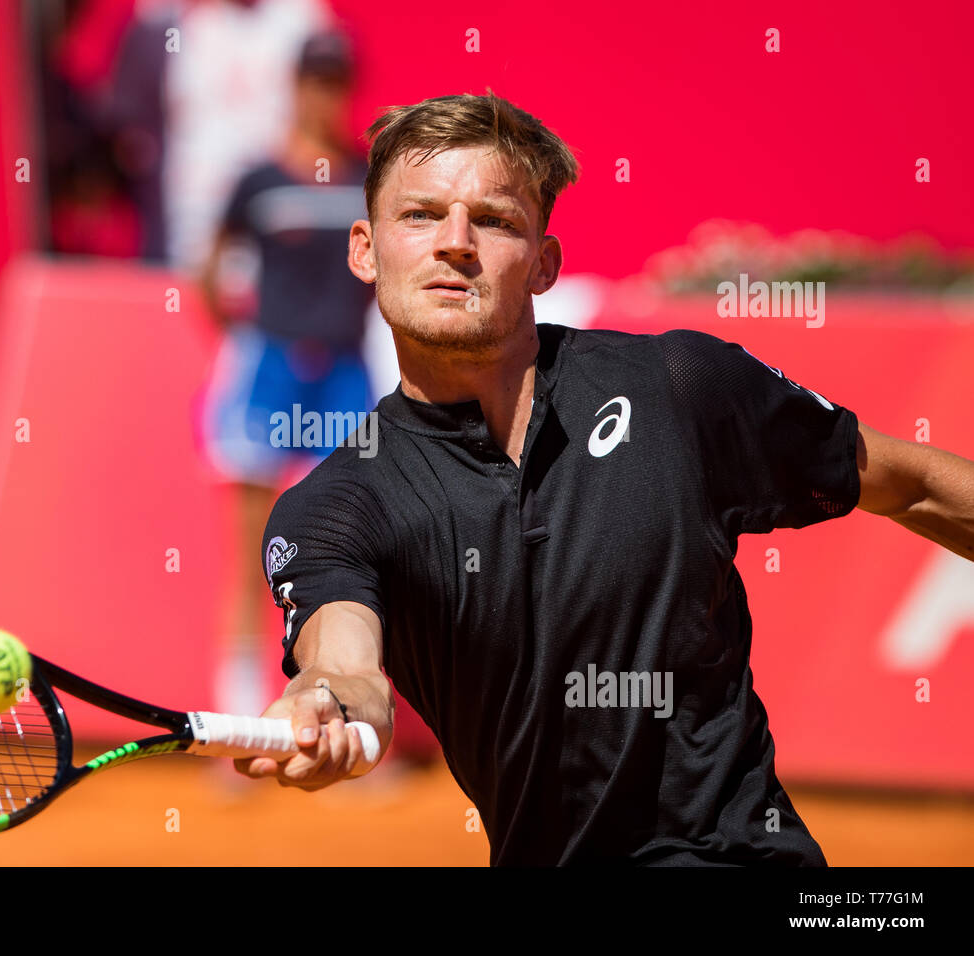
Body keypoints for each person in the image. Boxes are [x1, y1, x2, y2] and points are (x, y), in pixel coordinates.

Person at [235, 91, 974, 865]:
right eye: (420, 215)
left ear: (545, 263)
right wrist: (324, 705)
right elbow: (346, 664)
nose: (455, 243)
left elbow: (910, 483)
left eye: (493, 220)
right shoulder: (335, 507)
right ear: (364, 248)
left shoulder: (682, 387)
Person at [199, 31, 373, 720]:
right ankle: (241, 720)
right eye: (313, 80)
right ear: (295, 86)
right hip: (270, 367)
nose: (322, 94)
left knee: (347, 547)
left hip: (345, 373)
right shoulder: (257, 179)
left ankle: (344, 712)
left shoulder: (367, 175)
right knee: (249, 551)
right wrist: (241, 334)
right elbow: (210, 271)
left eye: (335, 81)